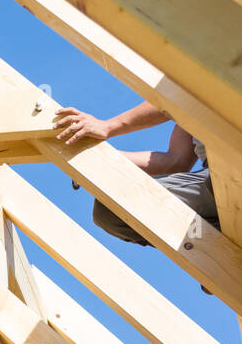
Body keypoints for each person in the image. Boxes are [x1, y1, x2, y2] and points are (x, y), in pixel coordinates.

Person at [55, 100, 218, 247]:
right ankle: (222, 253)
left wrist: (108, 126)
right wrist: (97, 159)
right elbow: (176, 161)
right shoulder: (194, 107)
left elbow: (178, 96)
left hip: (228, 173)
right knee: (110, 212)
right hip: (212, 188)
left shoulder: (205, 80)